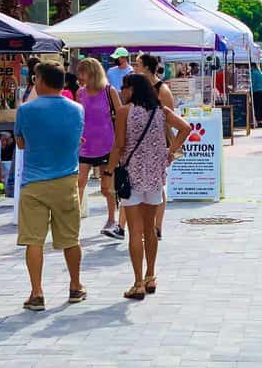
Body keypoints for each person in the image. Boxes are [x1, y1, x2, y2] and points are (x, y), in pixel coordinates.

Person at [110, 73, 190, 300]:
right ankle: (151, 276)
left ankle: (137, 283)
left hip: (132, 175)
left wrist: (108, 170)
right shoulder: (161, 111)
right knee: (150, 229)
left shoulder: (125, 112)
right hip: (155, 175)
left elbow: (119, 145)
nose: (122, 91)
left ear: (132, 89)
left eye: (124, 87)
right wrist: (170, 151)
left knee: (134, 231)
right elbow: (185, 128)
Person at [14, 62, 85, 311]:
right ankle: (75, 286)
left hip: (34, 182)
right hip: (66, 179)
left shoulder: (25, 110)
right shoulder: (77, 109)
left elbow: (20, 143)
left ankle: (37, 292)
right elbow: (77, 139)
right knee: (70, 239)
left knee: (34, 240)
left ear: (41, 81)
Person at [76, 58, 124, 239]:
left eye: (83, 72)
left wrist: (121, 143)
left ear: (92, 73)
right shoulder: (80, 93)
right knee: (79, 183)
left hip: (107, 144)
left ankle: (112, 219)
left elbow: (120, 116)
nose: (80, 77)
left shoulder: (109, 91)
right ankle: (74, 221)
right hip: (85, 144)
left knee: (106, 187)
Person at [134, 54, 174, 239]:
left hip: (159, 143)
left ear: (148, 68)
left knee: (158, 184)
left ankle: (157, 226)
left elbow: (169, 119)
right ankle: (142, 226)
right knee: (141, 184)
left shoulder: (162, 89)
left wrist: (169, 147)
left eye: (138, 64)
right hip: (140, 144)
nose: (134, 67)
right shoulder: (139, 87)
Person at [250, 63, 262, 128]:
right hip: (261, 91)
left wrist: (249, 89)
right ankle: (260, 121)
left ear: (252, 66)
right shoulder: (261, 72)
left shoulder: (253, 73)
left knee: (256, 106)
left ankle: (258, 121)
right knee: (260, 106)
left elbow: (252, 83)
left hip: (255, 92)